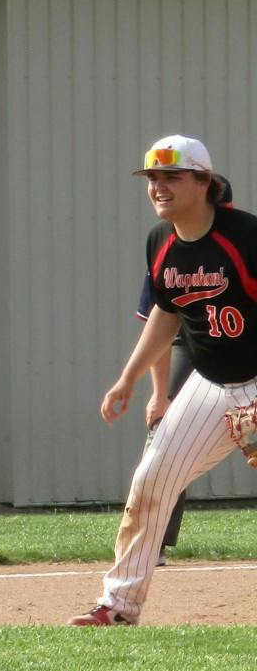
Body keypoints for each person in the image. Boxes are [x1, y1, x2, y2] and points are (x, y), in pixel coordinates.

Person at [72, 135, 257, 626]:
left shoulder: (246, 237)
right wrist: (128, 379)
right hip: (212, 385)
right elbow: (167, 315)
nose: (159, 187)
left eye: (172, 176)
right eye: (152, 178)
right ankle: (119, 605)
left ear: (205, 183)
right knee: (152, 480)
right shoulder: (162, 242)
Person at [133, 174, 234, 564]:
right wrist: (159, 396)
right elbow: (157, 325)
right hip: (189, 350)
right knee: (163, 441)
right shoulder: (170, 249)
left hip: (242, 354)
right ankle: (152, 543)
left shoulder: (241, 242)